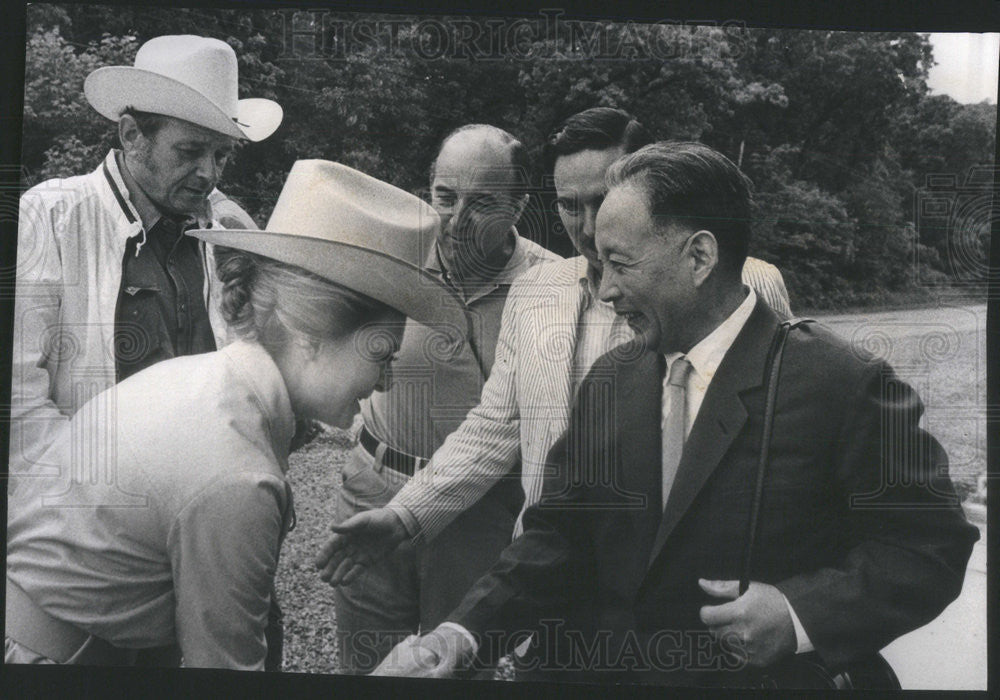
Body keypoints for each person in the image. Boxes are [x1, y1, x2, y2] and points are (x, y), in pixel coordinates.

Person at [370, 142, 979, 685]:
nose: (604, 289)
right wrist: (460, 634)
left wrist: (798, 614)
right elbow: (559, 536)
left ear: (699, 257)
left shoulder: (844, 383)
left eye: (621, 262)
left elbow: (930, 548)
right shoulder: (611, 379)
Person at [5, 159, 467, 669]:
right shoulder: (239, 475)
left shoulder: (202, 379)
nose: (386, 382)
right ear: (309, 332)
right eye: (381, 352)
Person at [316, 109, 791, 594]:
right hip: (544, 586)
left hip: (682, 592)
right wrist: (405, 515)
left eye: (602, 202)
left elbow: (788, 442)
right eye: (568, 205)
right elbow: (492, 429)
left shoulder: (744, 282)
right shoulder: (536, 292)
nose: (586, 227)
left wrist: (791, 602)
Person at [330, 124, 560, 673]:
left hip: (479, 510)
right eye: (445, 196)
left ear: (520, 204)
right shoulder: (390, 257)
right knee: (365, 665)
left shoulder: (552, 286)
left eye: (482, 203)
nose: (456, 221)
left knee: (453, 663)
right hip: (373, 490)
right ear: (427, 188)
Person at [10, 34, 282, 477]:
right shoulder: (49, 218)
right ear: (132, 135)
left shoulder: (218, 232)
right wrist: (94, 493)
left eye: (221, 155)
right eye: (191, 151)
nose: (209, 174)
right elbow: (18, 400)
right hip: (94, 508)